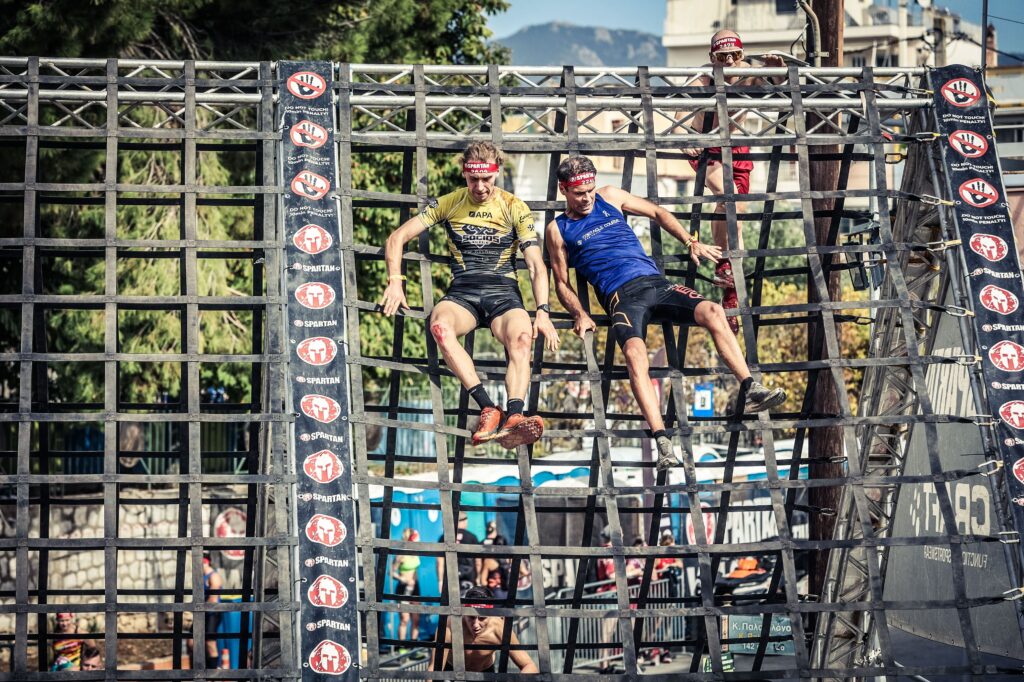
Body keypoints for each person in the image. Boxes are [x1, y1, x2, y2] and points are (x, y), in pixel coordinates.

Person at [546, 155, 787, 473]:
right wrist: (579, 313)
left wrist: (690, 241)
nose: (588, 197)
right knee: (635, 356)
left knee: (713, 311)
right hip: (622, 299)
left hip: (655, 284)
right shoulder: (558, 229)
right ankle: (662, 441)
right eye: (579, 193)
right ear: (564, 189)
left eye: (590, 189)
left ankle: (751, 387)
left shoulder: (610, 196)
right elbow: (561, 283)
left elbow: (658, 212)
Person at [381, 142, 559, 449]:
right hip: (463, 293)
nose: (480, 187)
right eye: (473, 179)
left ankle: (515, 417)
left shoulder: (514, 206)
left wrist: (542, 310)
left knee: (521, 337)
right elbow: (397, 238)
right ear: (464, 173)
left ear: (496, 173)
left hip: (503, 294)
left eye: (486, 179)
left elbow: (534, 264)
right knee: (440, 327)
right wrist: (395, 281)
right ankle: (488, 408)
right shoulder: (449, 202)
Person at [679, 29, 786, 333]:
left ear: (741, 54)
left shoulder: (748, 74)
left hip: (736, 148)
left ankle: (728, 290)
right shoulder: (703, 79)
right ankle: (727, 268)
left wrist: (776, 71)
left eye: (734, 55)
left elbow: (780, 90)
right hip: (707, 147)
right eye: (721, 56)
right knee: (731, 201)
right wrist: (683, 138)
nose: (728, 61)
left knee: (727, 207)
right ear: (711, 57)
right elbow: (678, 113)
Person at [433, 586, 538, 674]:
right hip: (451, 669)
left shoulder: (499, 628)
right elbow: (434, 668)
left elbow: (530, 666)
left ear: (491, 615)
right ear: (464, 612)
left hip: (484, 673)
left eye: (482, 618)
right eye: (471, 617)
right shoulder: (451, 625)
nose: (476, 625)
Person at [391, 528, 422, 649]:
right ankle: (402, 648)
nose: (419, 541)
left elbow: (415, 570)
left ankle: (413, 647)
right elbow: (392, 572)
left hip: (415, 588)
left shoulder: (416, 552)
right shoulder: (401, 555)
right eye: (416, 539)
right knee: (404, 619)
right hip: (403, 589)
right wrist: (402, 579)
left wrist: (414, 580)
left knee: (416, 619)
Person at [436, 512, 480, 596]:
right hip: (469, 578)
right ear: (464, 521)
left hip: (450, 577)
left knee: (451, 602)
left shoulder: (444, 537)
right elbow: (478, 562)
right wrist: (478, 578)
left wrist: (440, 581)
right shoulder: (472, 537)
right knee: (468, 601)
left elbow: (440, 562)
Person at [202, 552, 224, 669]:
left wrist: (198, 609)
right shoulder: (202, 576)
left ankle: (214, 671)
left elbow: (213, 599)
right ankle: (202, 668)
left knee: (210, 643)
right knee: (192, 641)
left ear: (205, 562)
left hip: (212, 613)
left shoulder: (213, 576)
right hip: (203, 613)